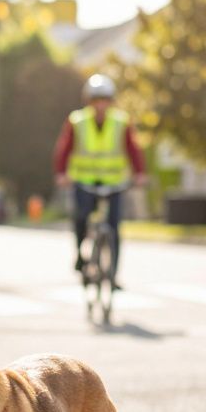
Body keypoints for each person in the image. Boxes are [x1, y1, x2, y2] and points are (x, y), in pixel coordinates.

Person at [53, 74, 148, 279]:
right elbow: (64, 149)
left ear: (111, 101)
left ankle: (113, 273)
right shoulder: (77, 121)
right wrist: (62, 173)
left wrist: (140, 174)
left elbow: (133, 149)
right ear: (89, 101)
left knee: (114, 226)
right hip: (84, 181)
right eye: (96, 100)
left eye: (104, 100)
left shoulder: (121, 121)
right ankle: (80, 255)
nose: (101, 105)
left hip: (114, 182)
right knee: (81, 217)